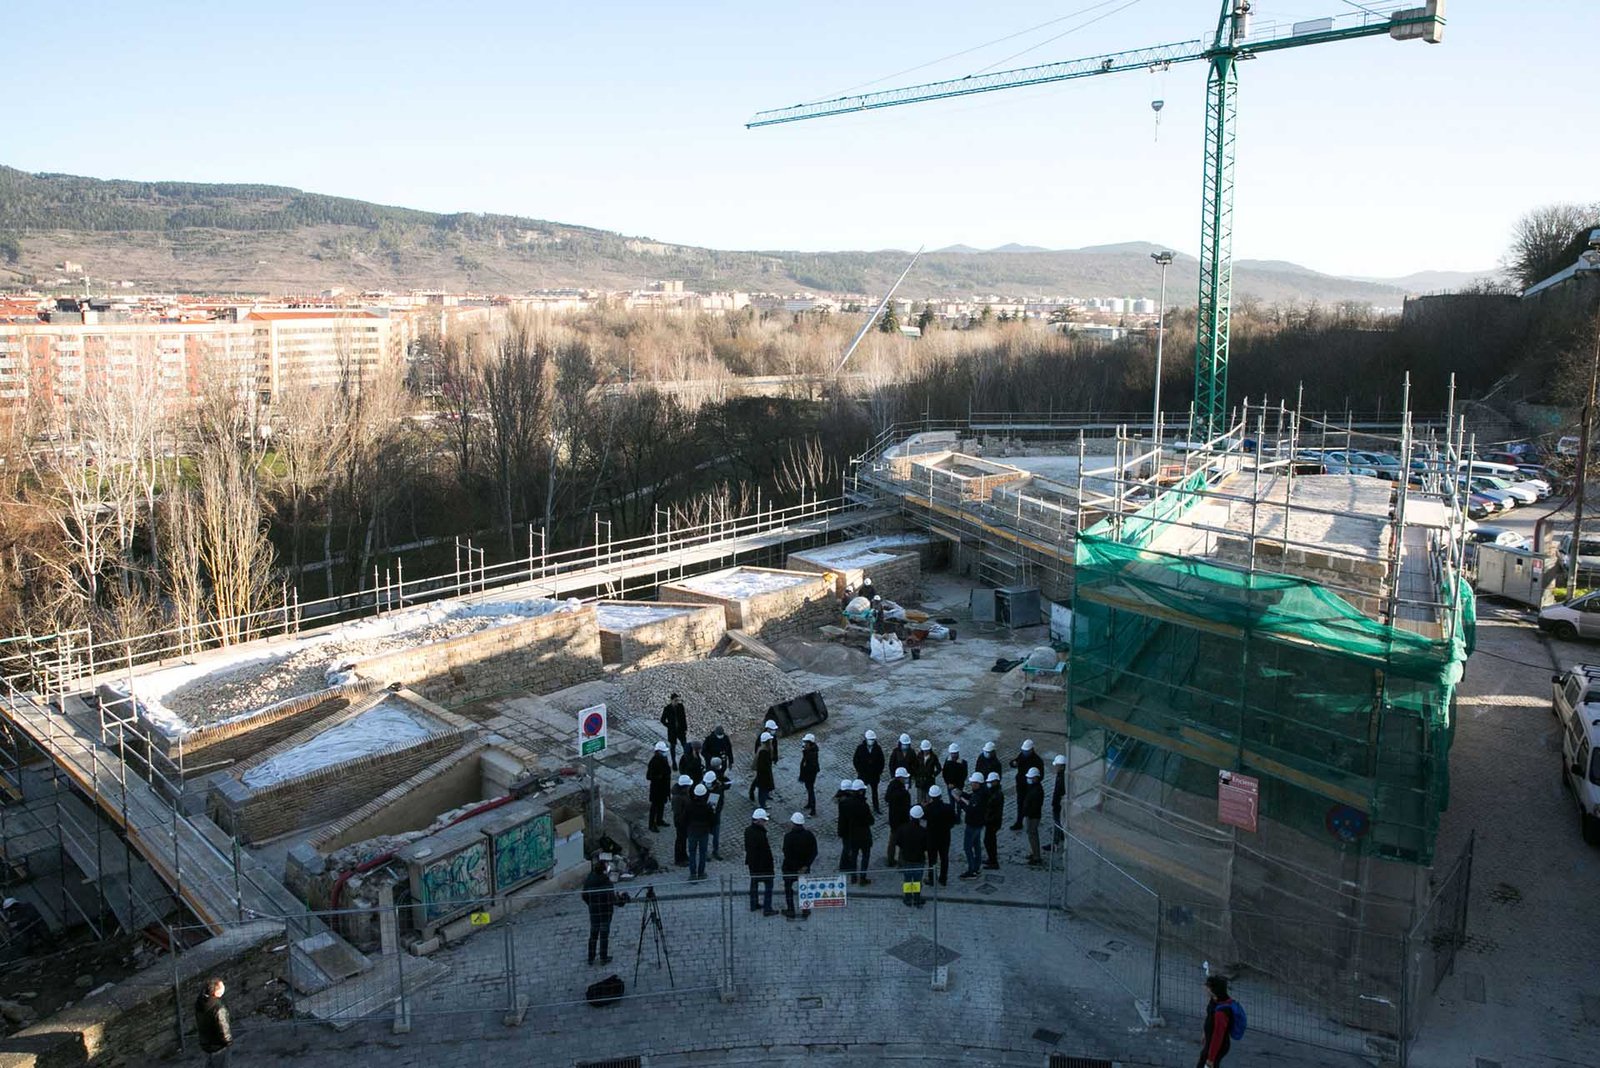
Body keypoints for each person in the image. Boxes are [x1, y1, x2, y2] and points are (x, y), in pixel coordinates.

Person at [582, 858, 626, 965]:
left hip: (594, 911)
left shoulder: (589, 879)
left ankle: (591, 958)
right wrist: (621, 900)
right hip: (605, 911)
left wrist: (591, 904)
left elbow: (584, 895)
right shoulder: (606, 882)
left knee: (593, 934)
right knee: (604, 934)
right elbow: (611, 899)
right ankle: (603, 957)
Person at [781, 812, 818, 920]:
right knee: (804, 889)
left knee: (788, 889)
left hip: (790, 868)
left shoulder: (788, 837)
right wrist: (806, 865)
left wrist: (795, 867)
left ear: (793, 823)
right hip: (804, 868)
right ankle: (805, 909)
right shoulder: (809, 835)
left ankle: (791, 909)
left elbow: (786, 853)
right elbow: (814, 852)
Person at [1198, 974, 1238, 1067]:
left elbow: (1218, 1037)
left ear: (1214, 990)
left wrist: (1211, 1058)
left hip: (1217, 1047)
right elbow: (1209, 1016)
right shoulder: (1215, 999)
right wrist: (1205, 1032)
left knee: (1206, 1063)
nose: (1205, 988)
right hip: (1210, 1042)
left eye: (1208, 987)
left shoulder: (1222, 1013)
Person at [194, 976, 232, 1066]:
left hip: (205, 1042)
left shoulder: (200, 1002)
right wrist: (228, 1041)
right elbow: (223, 1028)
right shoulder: (218, 1008)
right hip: (218, 1045)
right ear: (216, 991)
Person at [923, 784, 956, 886]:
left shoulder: (928, 809)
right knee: (944, 858)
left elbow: (923, 818)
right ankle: (943, 878)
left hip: (932, 837)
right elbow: (954, 820)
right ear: (940, 796)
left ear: (931, 796)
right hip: (945, 836)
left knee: (932, 859)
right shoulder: (948, 808)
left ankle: (932, 879)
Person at [745, 809, 777, 915]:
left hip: (752, 863)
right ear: (758, 821)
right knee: (769, 885)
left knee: (754, 884)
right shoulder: (760, 834)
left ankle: (753, 904)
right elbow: (765, 852)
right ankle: (767, 908)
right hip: (763, 866)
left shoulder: (748, 831)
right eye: (763, 820)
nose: (765, 822)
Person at [1009, 739, 1044, 830]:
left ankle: (1031, 821)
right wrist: (1013, 763)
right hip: (1021, 784)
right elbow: (1015, 762)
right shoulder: (1022, 756)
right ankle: (1019, 822)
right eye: (1023, 751)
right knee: (1020, 803)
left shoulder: (1037, 761)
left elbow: (1041, 775)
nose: (1024, 752)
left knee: (1029, 804)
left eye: (1026, 751)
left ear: (1032, 750)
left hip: (1030, 787)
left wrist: (1033, 781)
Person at [685, 783, 716, 880]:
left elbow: (684, 818)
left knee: (692, 853)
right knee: (702, 853)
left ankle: (693, 874)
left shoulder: (689, 805)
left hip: (692, 831)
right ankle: (701, 873)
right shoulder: (708, 807)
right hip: (704, 832)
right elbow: (712, 820)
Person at [958, 773, 987, 879]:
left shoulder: (978, 796)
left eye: (973, 783)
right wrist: (963, 794)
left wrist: (960, 801)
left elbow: (970, 810)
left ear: (978, 783)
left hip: (973, 824)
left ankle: (972, 870)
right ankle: (977, 867)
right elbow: (971, 797)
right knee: (977, 845)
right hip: (979, 823)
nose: (971, 785)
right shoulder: (982, 793)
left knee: (968, 847)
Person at [899, 805, 928, 907]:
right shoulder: (923, 831)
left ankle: (907, 898)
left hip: (906, 858)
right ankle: (916, 898)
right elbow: (926, 846)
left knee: (907, 880)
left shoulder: (903, 829)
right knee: (917, 880)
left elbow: (899, 842)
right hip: (918, 859)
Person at [884, 766, 912, 867]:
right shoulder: (903, 793)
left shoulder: (891, 786)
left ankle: (890, 860)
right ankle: (901, 862)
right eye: (904, 778)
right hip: (902, 820)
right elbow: (907, 806)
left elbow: (887, 798)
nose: (906, 779)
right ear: (900, 778)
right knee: (903, 843)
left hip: (893, 819)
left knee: (892, 841)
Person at [853, 730, 886, 813]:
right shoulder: (860, 748)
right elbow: (856, 760)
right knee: (861, 793)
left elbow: (881, 761)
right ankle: (861, 807)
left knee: (875, 792)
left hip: (874, 775)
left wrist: (878, 771)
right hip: (863, 775)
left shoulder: (877, 748)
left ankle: (876, 808)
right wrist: (860, 770)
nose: (872, 741)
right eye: (870, 739)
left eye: (873, 739)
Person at [1021, 766, 1045, 865]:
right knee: (1031, 834)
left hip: (1033, 816)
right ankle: (1034, 852)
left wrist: (1027, 814)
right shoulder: (1034, 787)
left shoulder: (1037, 790)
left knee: (1033, 835)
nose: (1029, 779)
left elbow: (1034, 805)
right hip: (1032, 815)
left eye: (1031, 778)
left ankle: (1036, 856)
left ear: (1035, 778)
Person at [646, 742, 672, 832]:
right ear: (658, 752)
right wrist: (658, 777)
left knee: (661, 805)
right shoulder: (654, 762)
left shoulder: (664, 759)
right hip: (656, 789)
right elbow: (648, 776)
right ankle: (651, 824)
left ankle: (659, 820)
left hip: (664, 788)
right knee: (654, 807)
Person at [703, 769, 728, 861]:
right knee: (705, 836)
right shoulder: (703, 788)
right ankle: (705, 852)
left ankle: (715, 851)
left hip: (715, 815)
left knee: (715, 836)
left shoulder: (718, 789)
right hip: (707, 816)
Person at [660, 693, 688, 769]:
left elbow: (683, 718)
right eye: (675, 700)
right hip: (672, 731)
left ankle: (686, 761)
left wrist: (685, 728)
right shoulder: (667, 708)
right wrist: (669, 726)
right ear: (671, 700)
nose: (677, 702)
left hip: (681, 730)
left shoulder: (681, 707)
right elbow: (662, 720)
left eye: (677, 700)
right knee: (673, 747)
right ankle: (674, 762)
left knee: (685, 746)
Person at [670, 773, 693, 866]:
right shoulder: (678, 798)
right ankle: (679, 859)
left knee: (683, 840)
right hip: (681, 822)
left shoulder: (682, 794)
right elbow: (678, 812)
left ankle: (683, 856)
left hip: (684, 821)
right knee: (680, 840)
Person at [983, 771, 1004, 870]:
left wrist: (987, 819)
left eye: (991, 782)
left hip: (992, 822)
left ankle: (993, 861)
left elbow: (992, 809)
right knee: (990, 841)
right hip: (992, 821)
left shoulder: (997, 795)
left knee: (989, 841)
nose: (989, 784)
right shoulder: (995, 793)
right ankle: (991, 859)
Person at [798, 733, 820, 815]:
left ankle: (813, 808)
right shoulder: (810, 750)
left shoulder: (811, 753)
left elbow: (809, 763)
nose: (804, 744)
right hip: (808, 773)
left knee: (810, 790)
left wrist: (805, 752)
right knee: (809, 789)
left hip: (810, 774)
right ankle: (810, 804)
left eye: (806, 742)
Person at [752, 733, 776, 810]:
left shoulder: (762, 750)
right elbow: (764, 766)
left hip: (763, 775)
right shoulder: (764, 752)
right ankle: (762, 807)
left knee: (762, 791)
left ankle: (763, 805)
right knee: (763, 791)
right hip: (764, 776)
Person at [1049, 753, 1067, 848]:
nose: (1055, 767)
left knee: (1058, 822)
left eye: (1056, 765)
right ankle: (1061, 837)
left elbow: (1059, 792)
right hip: (1059, 803)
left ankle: (1056, 842)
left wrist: (1055, 802)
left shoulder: (1062, 777)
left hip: (1059, 804)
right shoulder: (1063, 776)